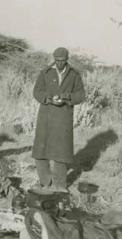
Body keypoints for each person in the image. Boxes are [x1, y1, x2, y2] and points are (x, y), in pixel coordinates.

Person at [32, 47, 85, 192]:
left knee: (62, 153)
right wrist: (48, 98)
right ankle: (45, 182)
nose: (60, 63)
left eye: (63, 60)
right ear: (53, 59)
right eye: (57, 60)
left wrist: (67, 97)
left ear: (67, 59)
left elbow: (81, 95)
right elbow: (36, 92)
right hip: (46, 116)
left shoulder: (74, 75)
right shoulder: (45, 73)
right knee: (40, 150)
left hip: (63, 117)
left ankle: (60, 185)